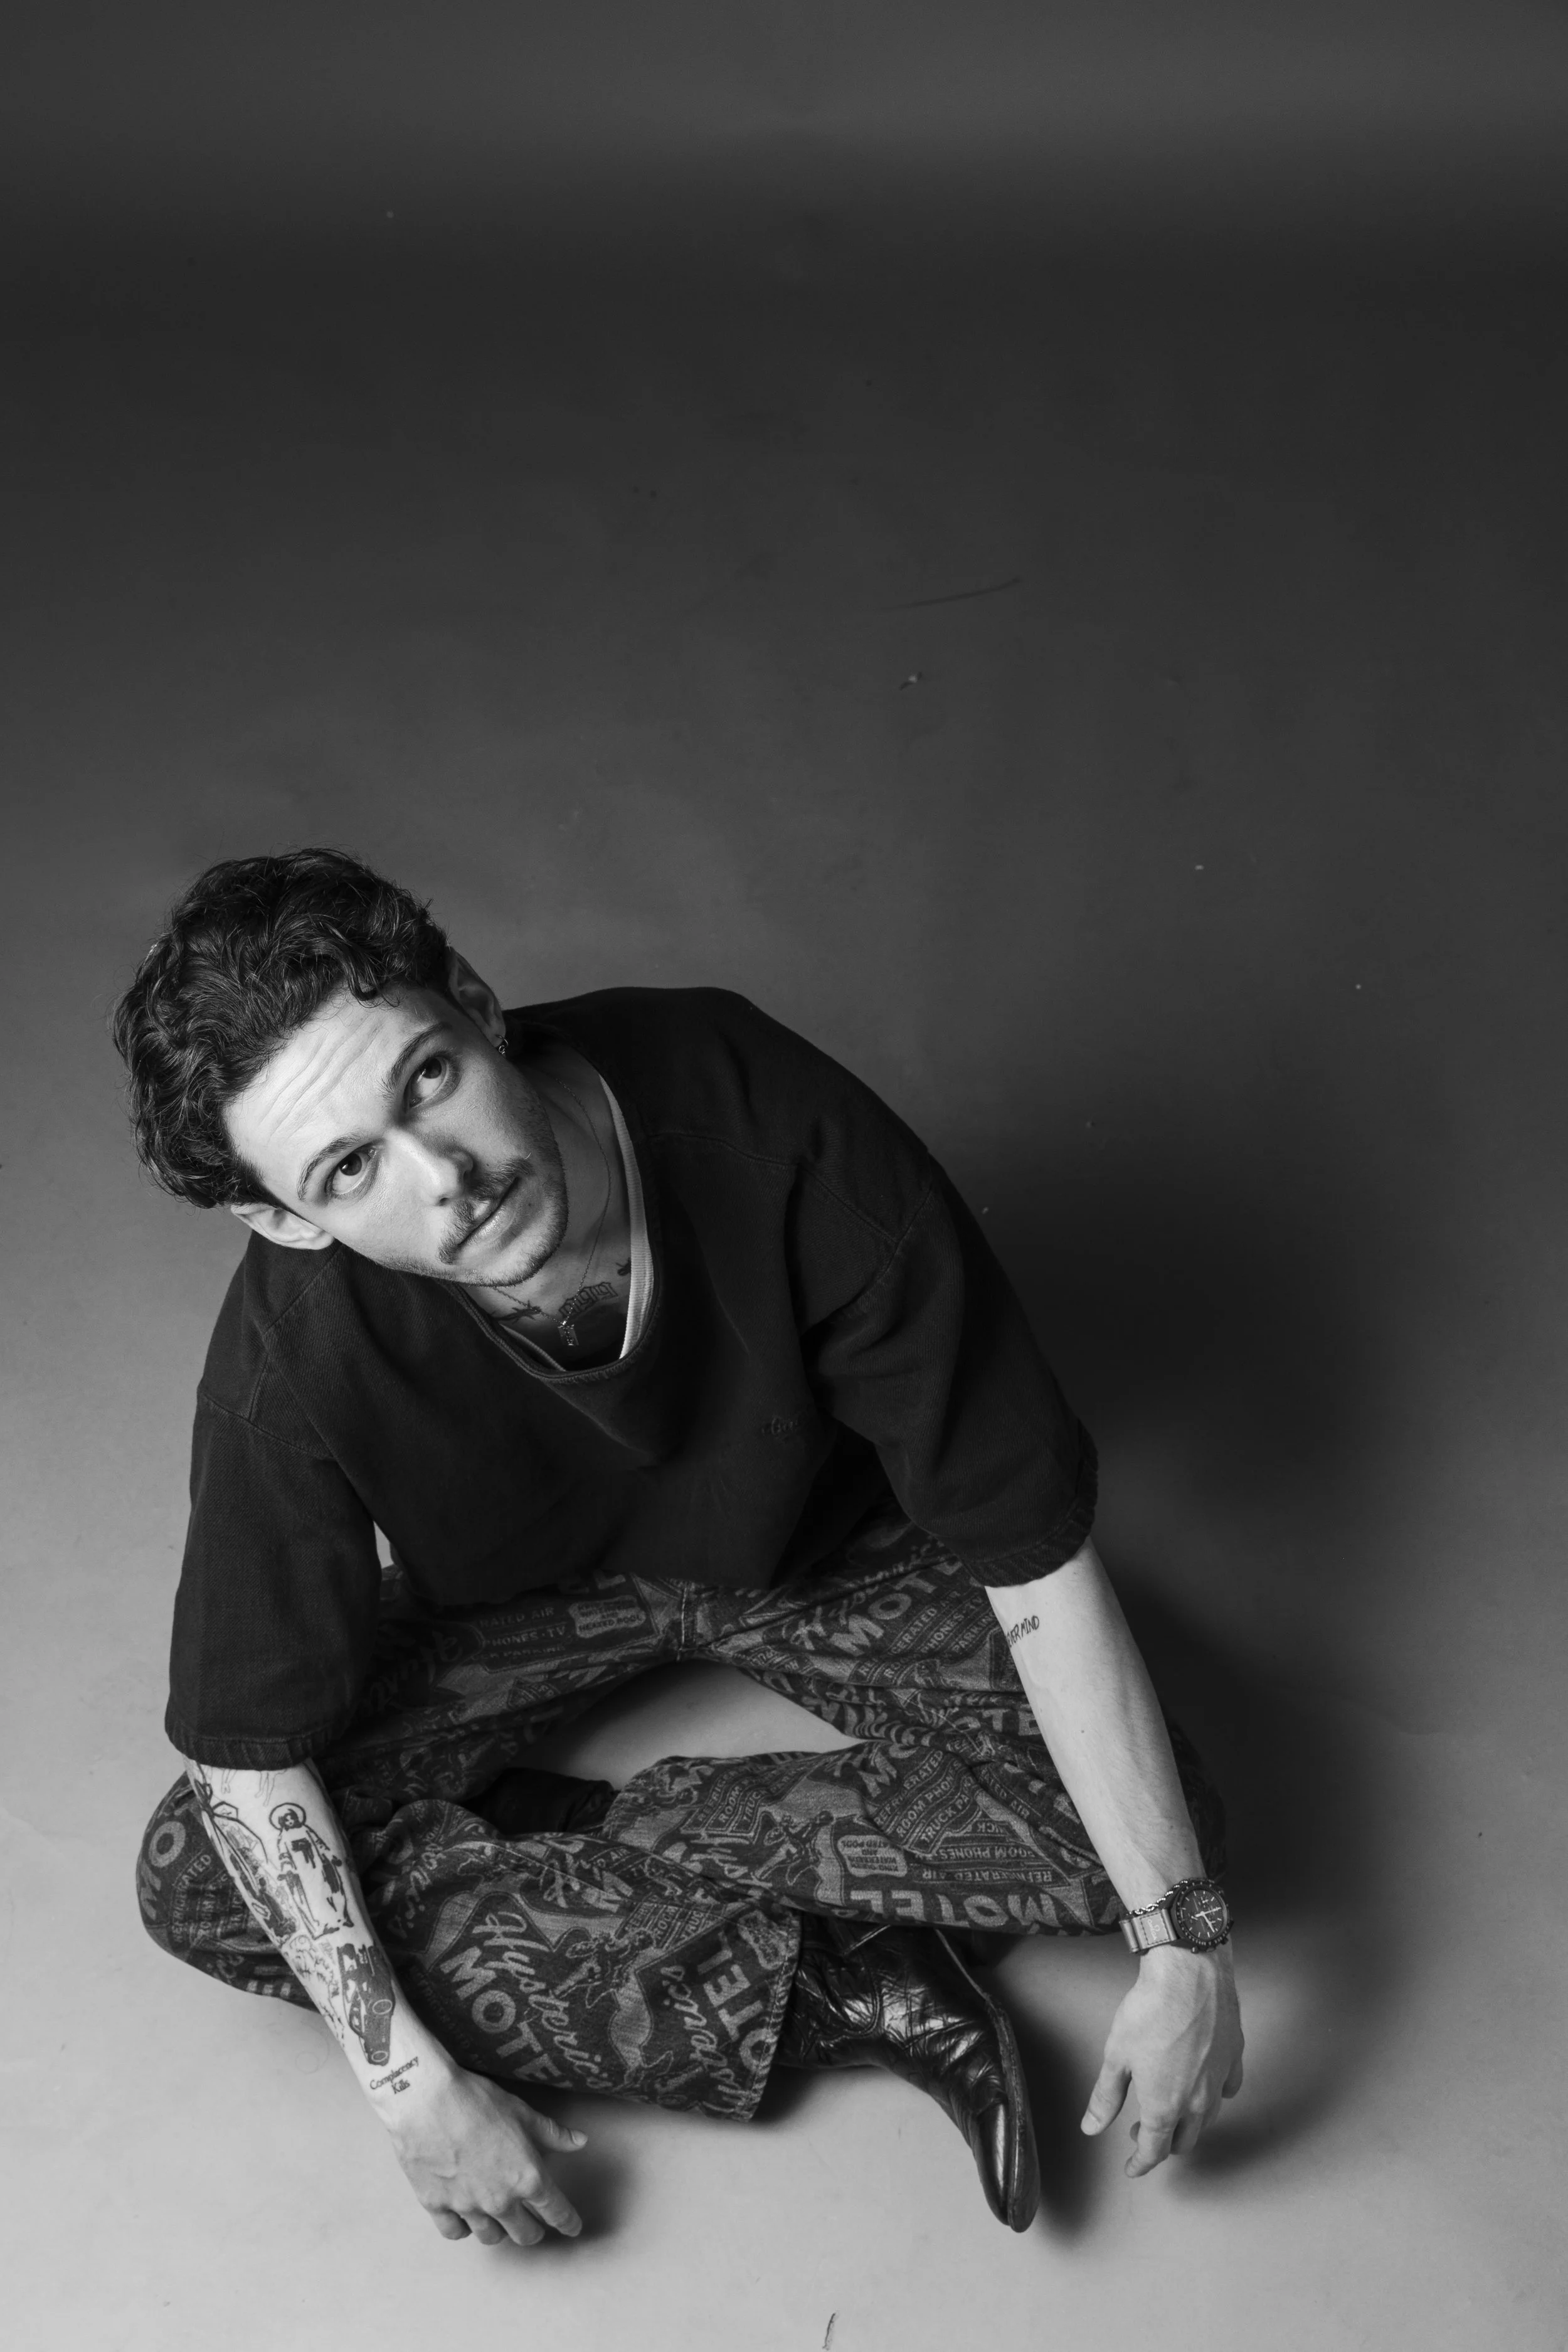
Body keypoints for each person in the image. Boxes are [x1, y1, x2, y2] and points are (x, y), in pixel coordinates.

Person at [119, 848, 1243, 2250]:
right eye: (351, 1169)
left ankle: (572, 1837)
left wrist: (1181, 1950)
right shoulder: (289, 1346)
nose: (446, 1177)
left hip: (814, 1547)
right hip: (520, 1600)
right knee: (202, 1872)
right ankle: (850, 1985)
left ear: (475, 1002)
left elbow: (1033, 1564)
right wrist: (407, 2083)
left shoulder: (769, 1124)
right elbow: (243, 1760)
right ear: (287, 1218)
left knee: (1156, 1840)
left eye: (428, 1079)